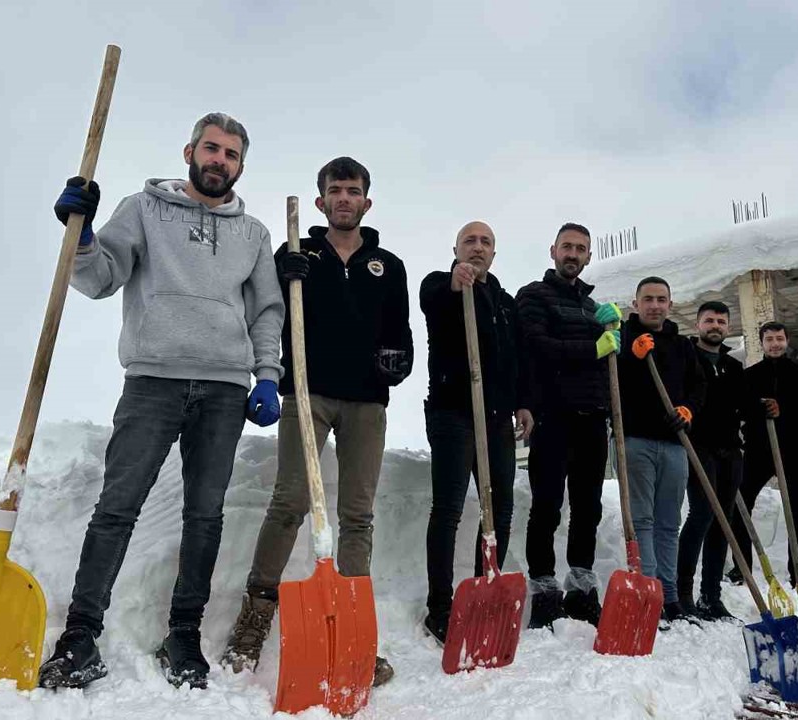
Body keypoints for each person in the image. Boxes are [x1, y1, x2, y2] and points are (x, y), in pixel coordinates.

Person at [38, 113, 285, 690]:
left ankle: (183, 636)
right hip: (153, 381)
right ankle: (79, 636)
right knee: (117, 506)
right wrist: (82, 233)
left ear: (241, 166)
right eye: (211, 148)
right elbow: (100, 278)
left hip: (225, 389)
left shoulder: (253, 235)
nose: (219, 160)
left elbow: (267, 310)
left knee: (205, 515)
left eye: (230, 154)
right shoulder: (143, 210)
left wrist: (267, 375)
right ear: (189, 152)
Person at [223, 157, 412, 687]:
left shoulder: (388, 264)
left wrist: (399, 359)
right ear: (322, 201)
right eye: (335, 191)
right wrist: (285, 279)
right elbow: (268, 313)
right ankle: (256, 613)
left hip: (367, 403)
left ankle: (352, 622)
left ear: (366, 202)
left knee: (358, 514)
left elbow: (398, 326)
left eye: (354, 191)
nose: (345, 199)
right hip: (308, 391)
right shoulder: (296, 254)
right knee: (289, 502)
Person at [418, 221, 533, 643]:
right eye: (470, 241)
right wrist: (454, 282)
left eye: (485, 242)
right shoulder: (439, 285)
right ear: (456, 248)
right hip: (453, 414)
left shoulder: (505, 303)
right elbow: (430, 298)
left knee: (499, 511)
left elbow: (518, 358)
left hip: (498, 416)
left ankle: (484, 592)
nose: (478, 247)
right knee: (447, 510)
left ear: (494, 253)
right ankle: (441, 607)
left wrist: (523, 402)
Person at [516, 222, 619, 629]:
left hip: (592, 418)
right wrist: (593, 346)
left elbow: (607, 365)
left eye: (580, 248)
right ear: (553, 251)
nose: (573, 254)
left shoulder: (594, 309)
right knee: (546, 506)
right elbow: (537, 348)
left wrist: (613, 335)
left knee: (588, 508)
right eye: (567, 247)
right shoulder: (533, 296)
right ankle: (543, 591)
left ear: (589, 257)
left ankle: (580, 588)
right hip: (552, 415)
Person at [617, 277, 705, 623]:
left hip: (674, 444)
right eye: (648, 299)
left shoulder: (682, 346)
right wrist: (631, 357)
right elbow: (610, 381)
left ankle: (669, 597)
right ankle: (647, 592)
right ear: (636, 303)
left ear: (670, 304)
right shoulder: (622, 339)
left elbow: (698, 385)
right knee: (642, 521)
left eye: (661, 299)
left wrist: (688, 410)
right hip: (636, 440)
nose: (655, 305)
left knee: (669, 522)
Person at [736, 322, 798, 587]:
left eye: (779, 339)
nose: (775, 344)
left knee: (797, 511)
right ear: (761, 343)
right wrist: (758, 409)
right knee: (741, 505)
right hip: (757, 450)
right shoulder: (750, 376)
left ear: (787, 341)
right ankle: (743, 568)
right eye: (769, 339)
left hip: (793, 449)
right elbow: (740, 410)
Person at [675, 301, 747, 622]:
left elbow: (742, 406)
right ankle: (683, 592)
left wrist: (762, 406)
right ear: (698, 324)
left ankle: (711, 596)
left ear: (728, 327)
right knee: (702, 514)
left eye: (720, 321)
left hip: (730, 449)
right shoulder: (687, 357)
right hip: (698, 446)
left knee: (723, 521)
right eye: (709, 320)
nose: (715, 325)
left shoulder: (733, 367)